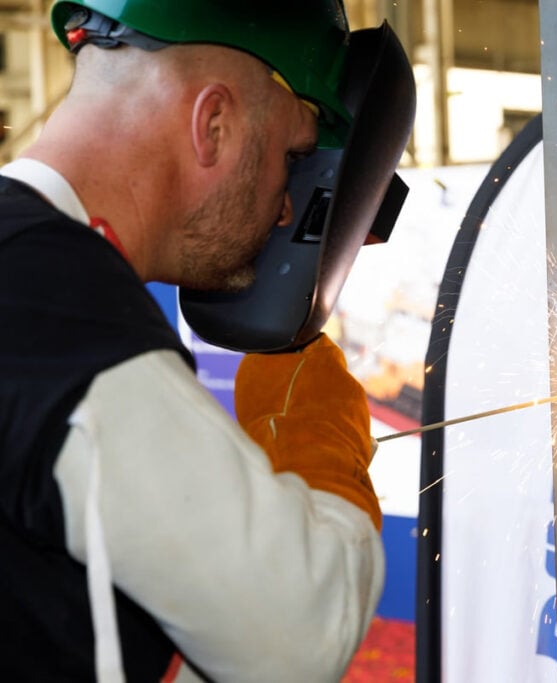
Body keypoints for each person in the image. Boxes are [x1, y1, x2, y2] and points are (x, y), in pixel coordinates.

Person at [0, 2, 385, 680]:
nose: (288, 204)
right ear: (214, 124)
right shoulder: (60, 306)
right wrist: (318, 446)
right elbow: (297, 635)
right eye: (292, 156)